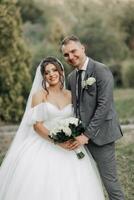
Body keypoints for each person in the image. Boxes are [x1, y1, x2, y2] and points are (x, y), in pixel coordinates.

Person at [0, 56, 105, 200]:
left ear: (61, 71)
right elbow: (37, 126)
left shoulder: (70, 95)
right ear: (43, 76)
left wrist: (74, 133)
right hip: (44, 142)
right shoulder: (40, 95)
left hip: (70, 144)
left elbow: (78, 117)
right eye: (47, 72)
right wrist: (58, 141)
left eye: (54, 70)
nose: (51, 74)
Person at [61, 35, 125, 200]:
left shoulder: (100, 70)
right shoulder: (71, 78)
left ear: (83, 48)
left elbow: (104, 106)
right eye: (66, 55)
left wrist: (86, 135)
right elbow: (74, 108)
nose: (70, 57)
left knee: (110, 182)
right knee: (82, 180)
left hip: (101, 135)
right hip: (79, 137)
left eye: (73, 51)